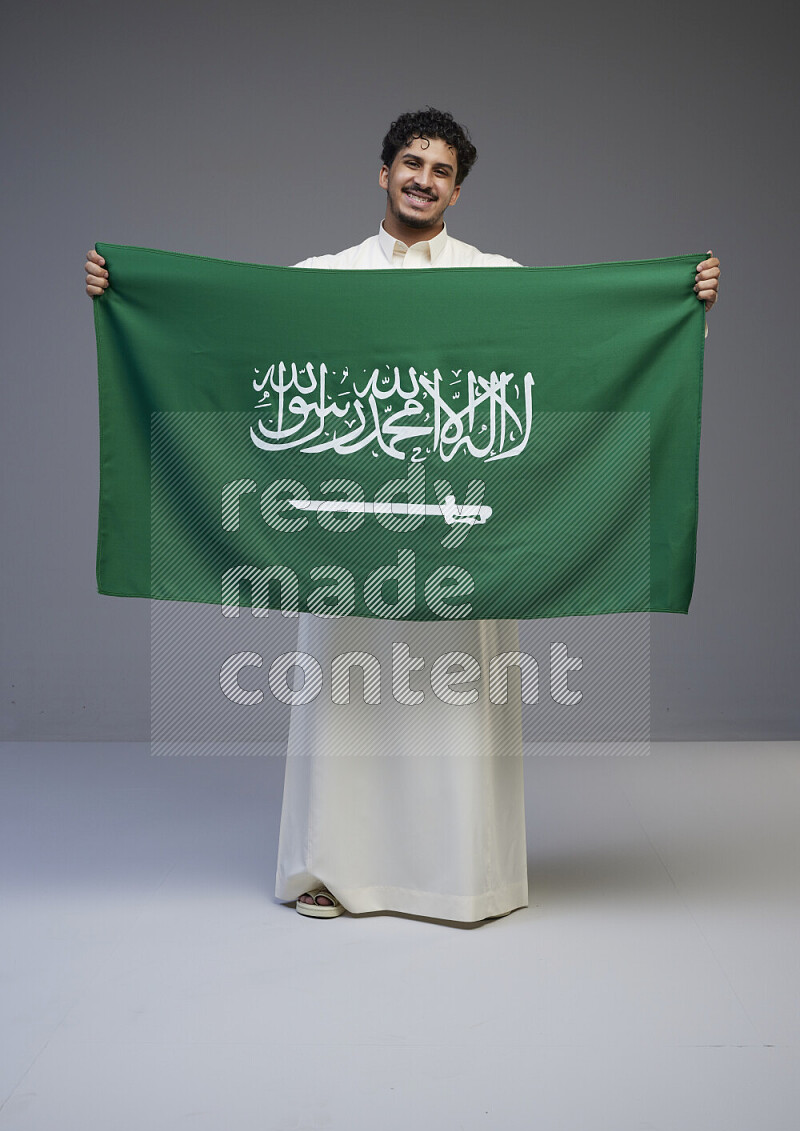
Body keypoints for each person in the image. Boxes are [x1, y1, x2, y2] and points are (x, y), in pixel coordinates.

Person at [85, 109, 721, 923]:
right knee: (344, 708)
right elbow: (230, 350)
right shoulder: (321, 278)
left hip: (463, 541)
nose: (425, 179)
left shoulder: (496, 280)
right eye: (411, 163)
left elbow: (584, 355)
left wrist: (682, 306)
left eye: (442, 170)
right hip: (347, 542)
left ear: (459, 189)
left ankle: (461, 875)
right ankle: (329, 871)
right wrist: (127, 297)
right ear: (382, 173)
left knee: (455, 705)